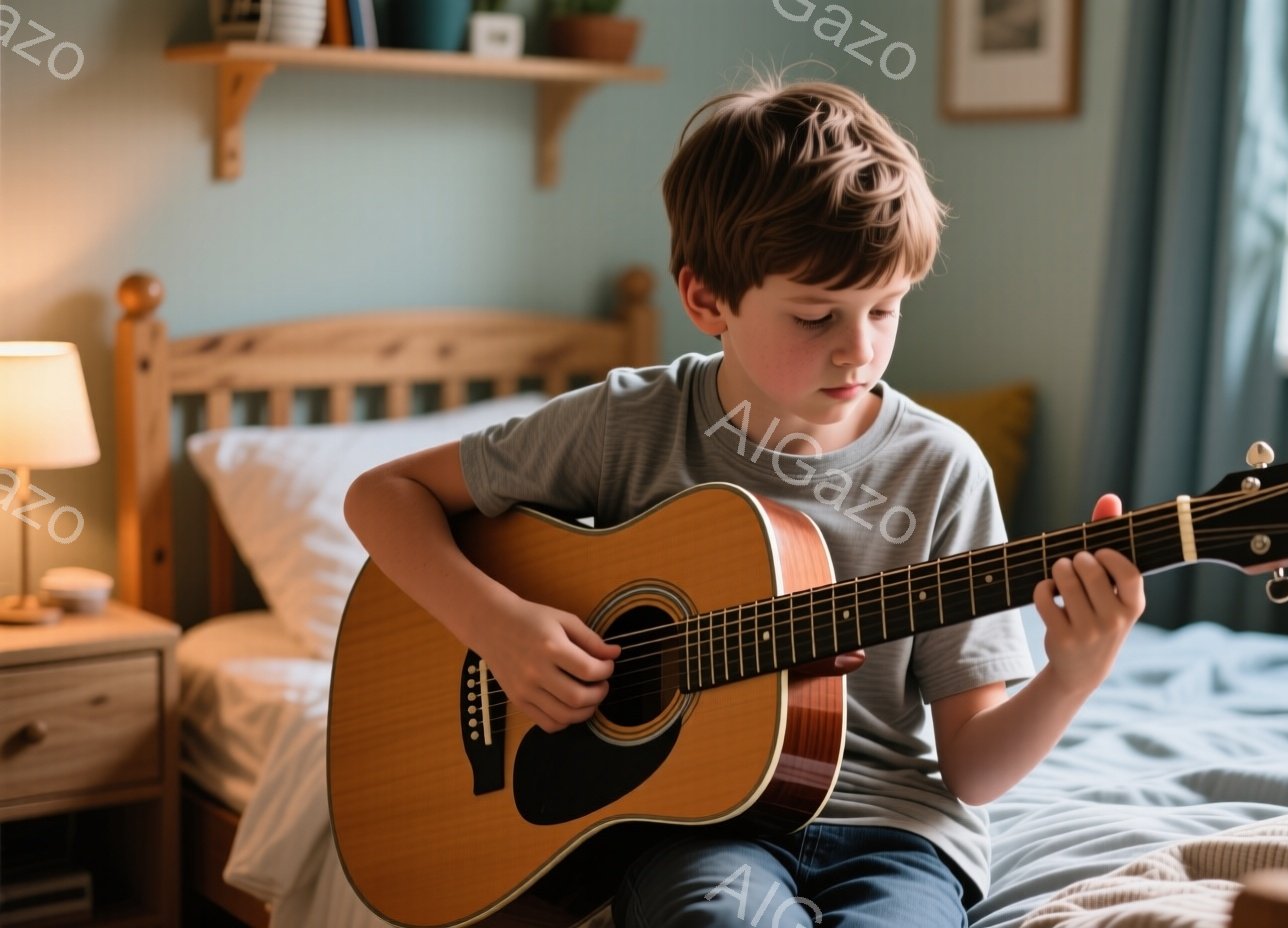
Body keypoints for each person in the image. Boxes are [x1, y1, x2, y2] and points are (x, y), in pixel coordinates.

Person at [342, 73, 1146, 928]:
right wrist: (496, 625)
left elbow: (976, 772)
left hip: (896, 832)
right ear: (705, 300)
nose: (859, 350)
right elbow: (380, 495)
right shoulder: (630, 424)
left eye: (886, 308)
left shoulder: (941, 469)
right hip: (695, 827)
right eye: (815, 317)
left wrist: (1072, 673)